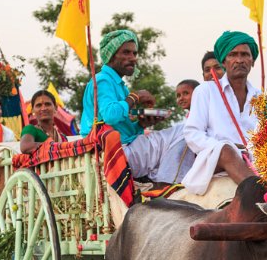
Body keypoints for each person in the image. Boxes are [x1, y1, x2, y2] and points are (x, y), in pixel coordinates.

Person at [80, 31, 192, 185]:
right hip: (115, 156)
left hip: (124, 150)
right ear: (111, 55)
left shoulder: (119, 85)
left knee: (180, 132)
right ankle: (168, 182)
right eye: (126, 52)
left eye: (134, 53)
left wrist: (141, 125)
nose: (133, 58)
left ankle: (163, 178)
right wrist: (136, 96)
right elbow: (111, 115)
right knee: (186, 129)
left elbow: (121, 129)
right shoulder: (102, 80)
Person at [182, 31, 261, 195]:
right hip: (216, 159)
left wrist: (248, 152)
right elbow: (192, 133)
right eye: (233, 54)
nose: (239, 60)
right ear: (224, 61)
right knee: (226, 149)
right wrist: (228, 148)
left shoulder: (261, 98)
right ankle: (261, 196)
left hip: (253, 160)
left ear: (252, 61)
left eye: (245, 54)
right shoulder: (205, 90)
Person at [19, 90, 63, 154]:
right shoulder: (30, 129)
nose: (43, 108)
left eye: (47, 104)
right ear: (33, 110)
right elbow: (26, 147)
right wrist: (58, 146)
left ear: (55, 108)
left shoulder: (62, 137)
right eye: (39, 105)